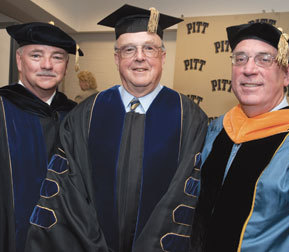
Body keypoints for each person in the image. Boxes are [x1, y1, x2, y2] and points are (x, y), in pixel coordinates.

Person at [26, 4, 208, 252]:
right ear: (117, 58)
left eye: (149, 48)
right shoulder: (85, 115)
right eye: (128, 49)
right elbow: (69, 194)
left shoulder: (190, 118)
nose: (139, 57)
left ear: (163, 57)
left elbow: (185, 199)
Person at [190, 23, 289, 252]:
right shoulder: (218, 130)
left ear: (288, 74)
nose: (248, 69)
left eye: (264, 59)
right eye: (240, 58)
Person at [0, 22, 83, 252]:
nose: (47, 65)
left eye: (57, 57)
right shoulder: (3, 108)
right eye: (36, 55)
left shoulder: (78, 116)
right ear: (19, 61)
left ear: (66, 66)